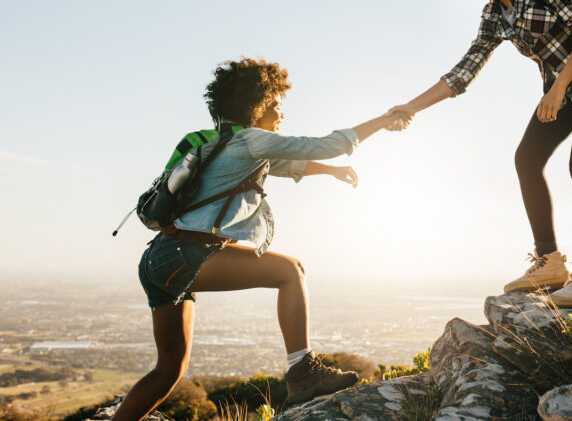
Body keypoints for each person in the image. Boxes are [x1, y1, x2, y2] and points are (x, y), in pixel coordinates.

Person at [114, 58, 405, 420]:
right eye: (277, 104)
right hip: (187, 255)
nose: (281, 113)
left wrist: (332, 171)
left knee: (168, 371)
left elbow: (289, 165)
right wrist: (382, 120)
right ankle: (303, 372)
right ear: (259, 104)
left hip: (158, 261)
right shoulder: (251, 140)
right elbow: (323, 145)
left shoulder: (224, 145)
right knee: (290, 271)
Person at [389, 0, 572, 308]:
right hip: (561, 89)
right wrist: (410, 108)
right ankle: (549, 262)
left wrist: (558, 87)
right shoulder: (494, 17)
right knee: (527, 159)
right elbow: (462, 73)